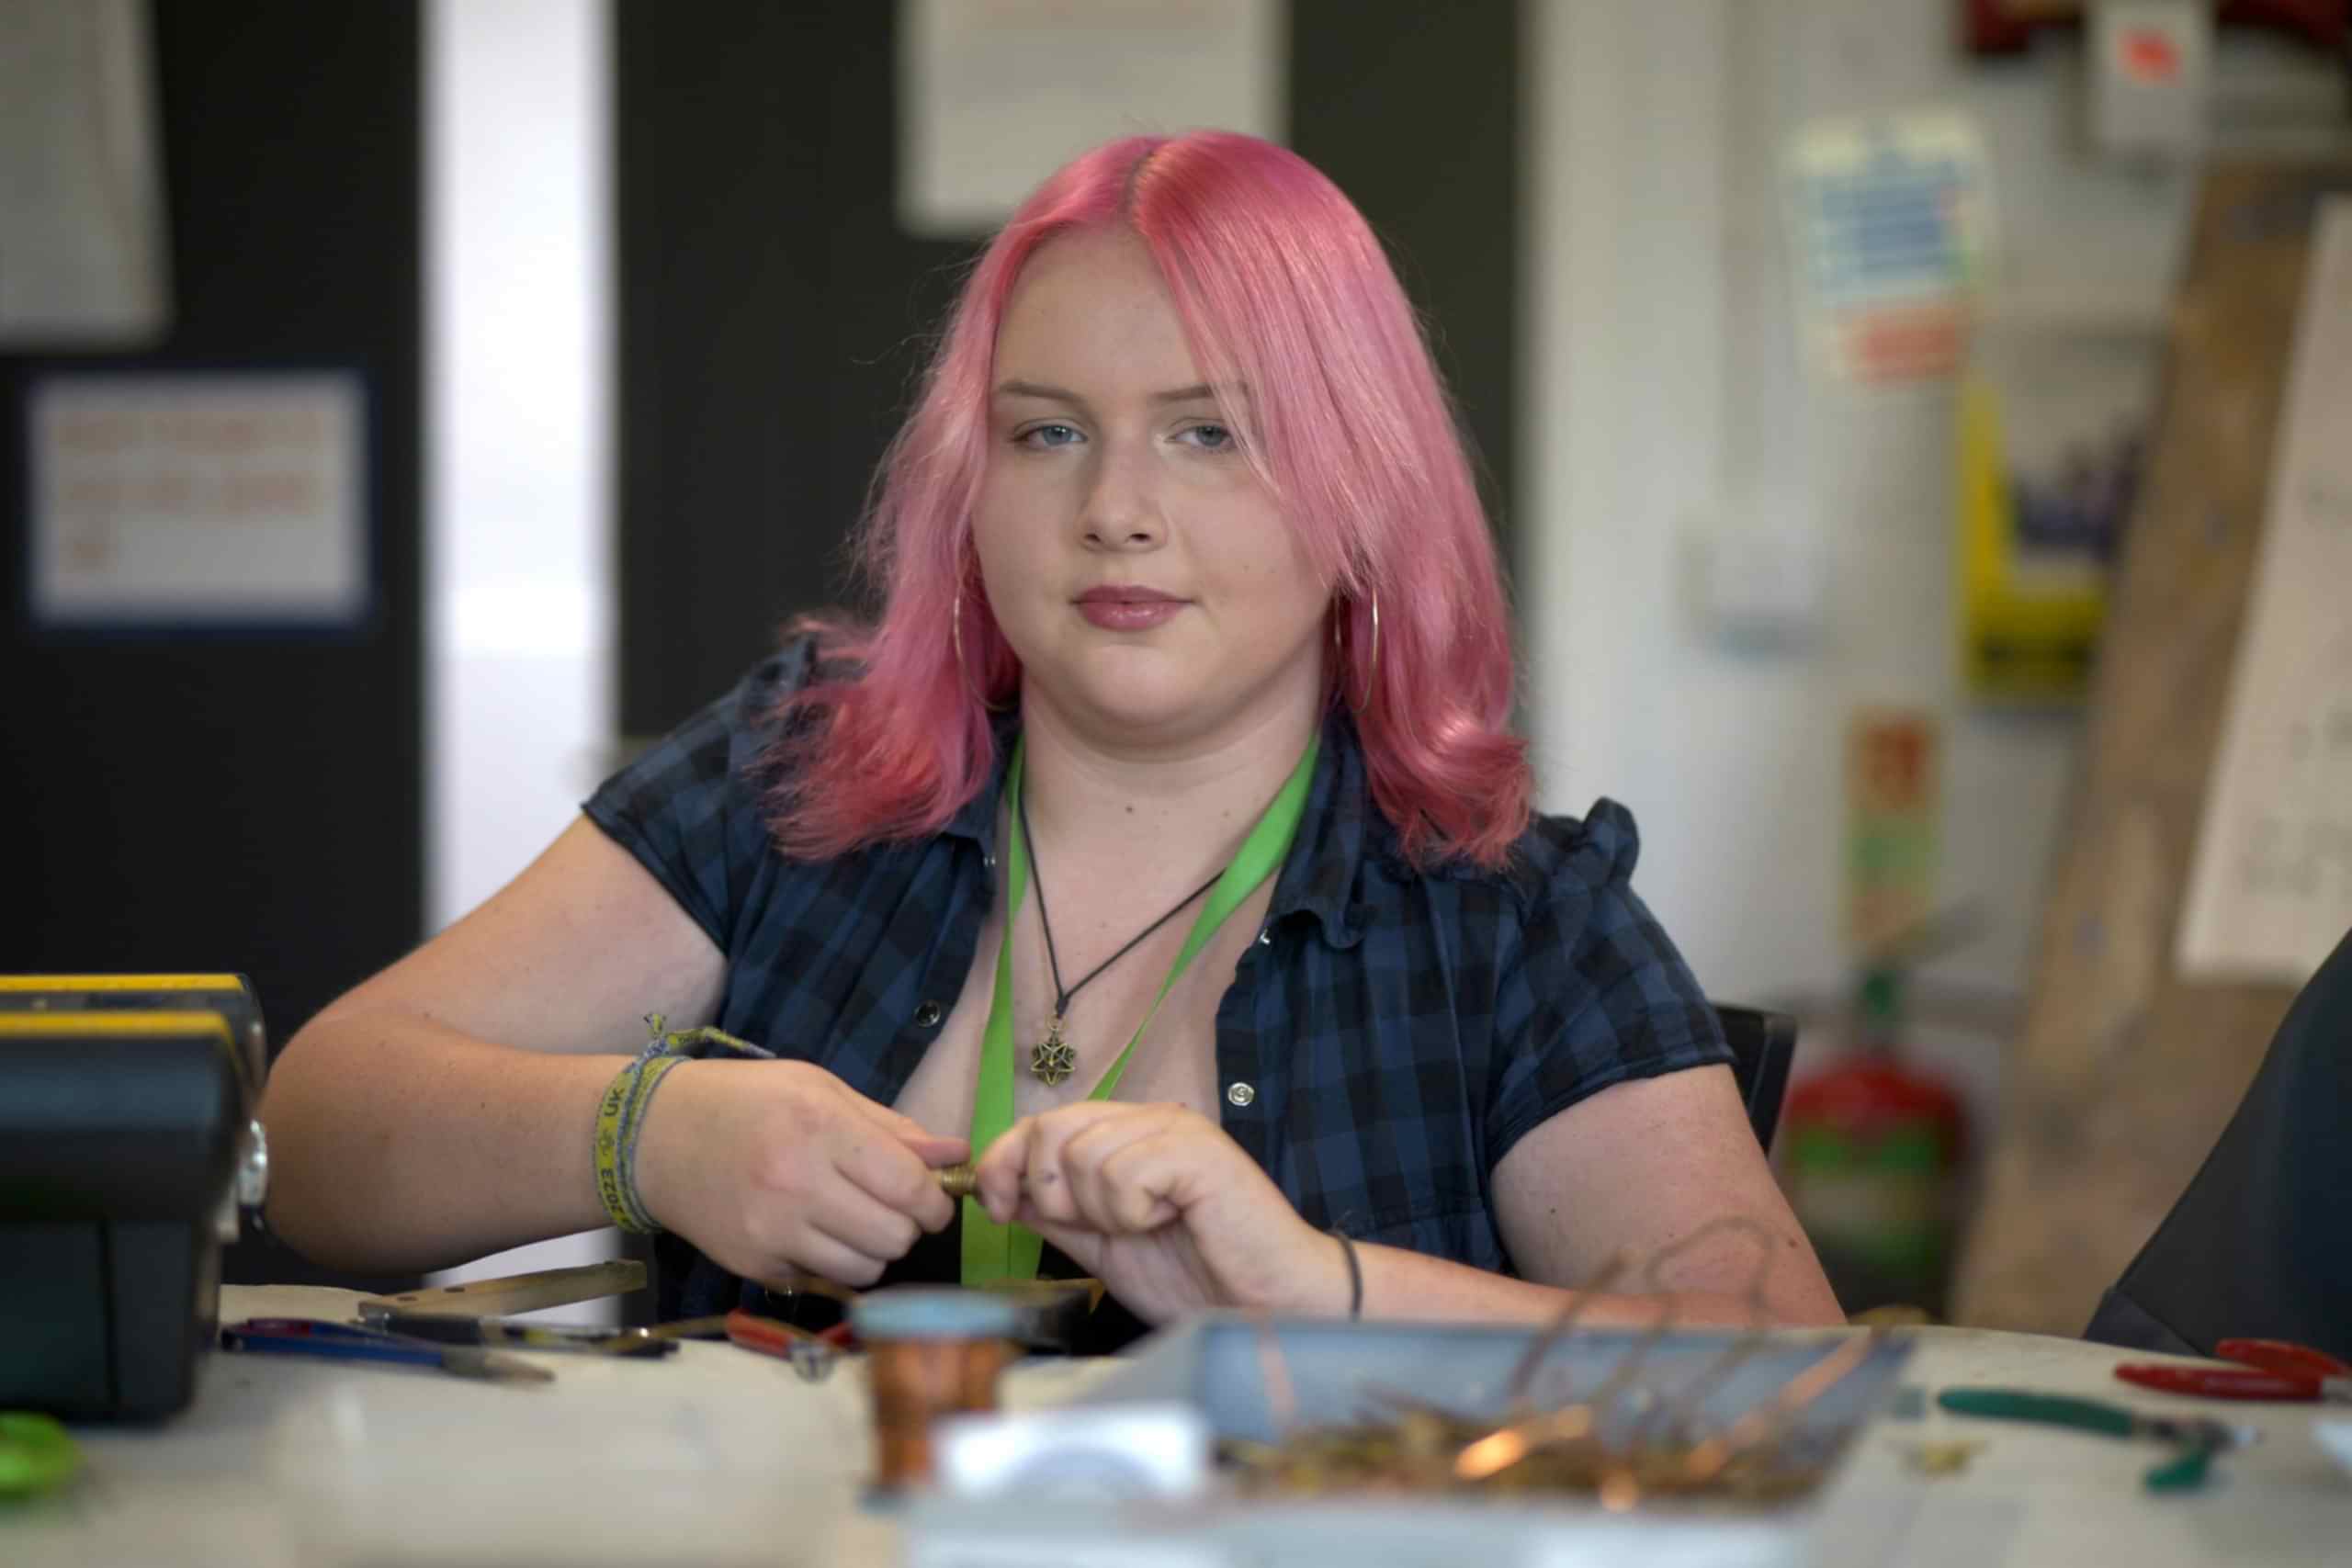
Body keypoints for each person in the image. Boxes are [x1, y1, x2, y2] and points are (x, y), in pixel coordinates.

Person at [259, 130, 1841, 1337]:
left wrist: (1319, 1292)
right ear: (973, 486)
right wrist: (644, 1132)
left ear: (1364, 492)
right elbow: (314, 1131)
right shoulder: (790, 784)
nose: (1116, 513)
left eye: (1210, 434)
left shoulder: (1513, 920)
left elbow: (1796, 1381)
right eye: (1050, 434)